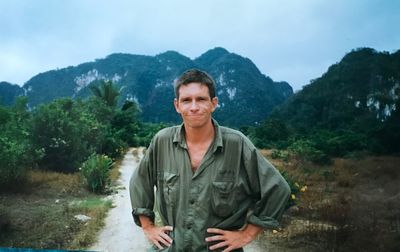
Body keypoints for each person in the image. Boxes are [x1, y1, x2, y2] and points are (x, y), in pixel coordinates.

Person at [129, 69, 290, 251]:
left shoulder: (237, 144)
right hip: (172, 247)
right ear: (177, 105)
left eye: (201, 99)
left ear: (214, 103)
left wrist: (247, 234)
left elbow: (278, 189)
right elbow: (140, 181)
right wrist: (148, 227)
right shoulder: (162, 141)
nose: (194, 107)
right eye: (186, 100)